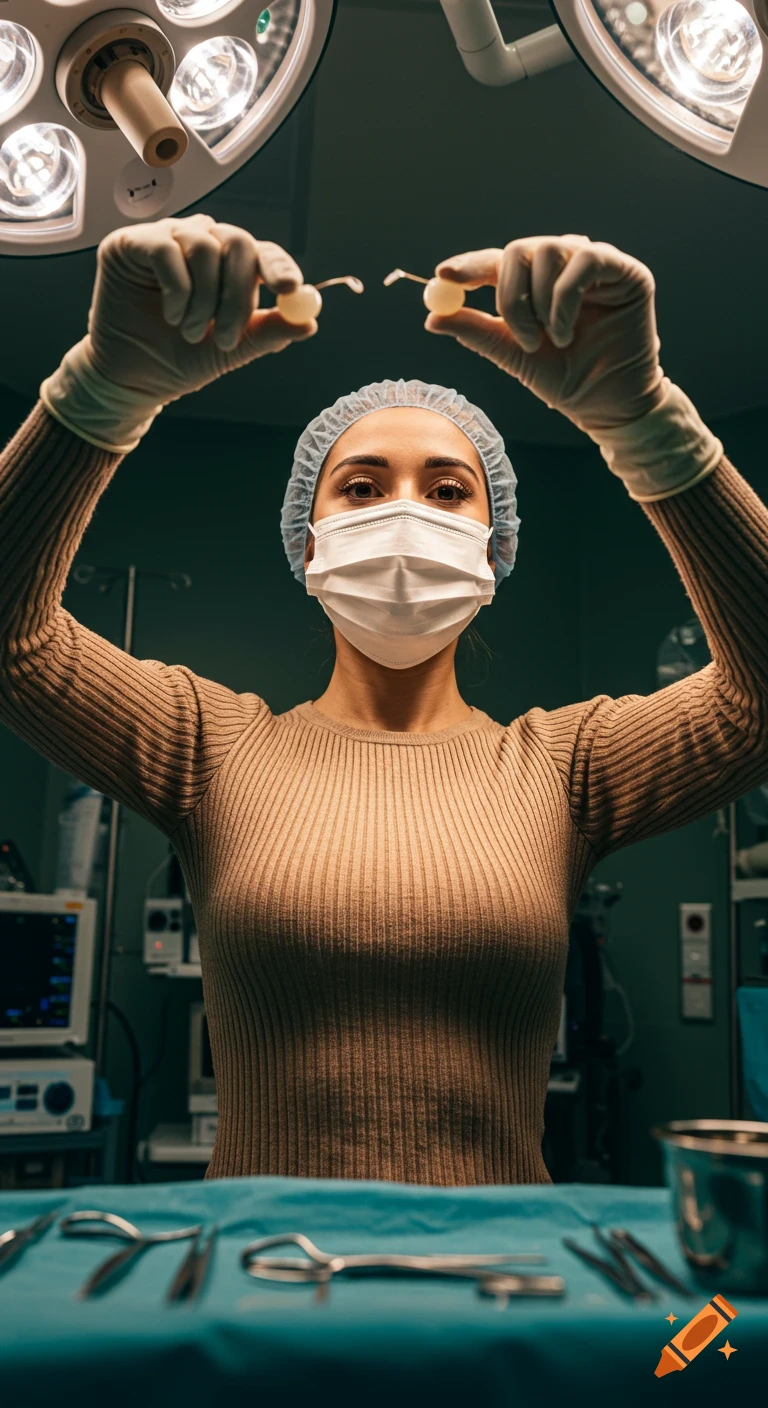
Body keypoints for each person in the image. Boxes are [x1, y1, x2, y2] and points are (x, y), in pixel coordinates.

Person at [0, 216, 766, 1186]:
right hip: (265, 1266)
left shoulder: (565, 767)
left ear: (496, 547)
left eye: (448, 492)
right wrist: (100, 393)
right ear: (307, 540)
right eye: (361, 488)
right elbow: (13, 643)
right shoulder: (207, 747)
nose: (404, 510)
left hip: (497, 1269)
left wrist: (646, 421)